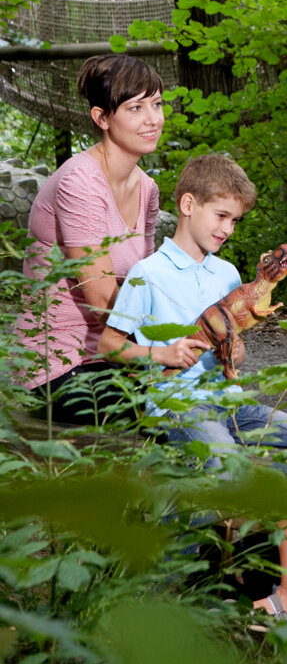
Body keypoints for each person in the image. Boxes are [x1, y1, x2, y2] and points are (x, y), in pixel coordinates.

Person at [98, 152, 287, 621]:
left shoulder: (227, 274)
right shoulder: (148, 275)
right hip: (179, 405)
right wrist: (160, 352)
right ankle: (186, 569)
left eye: (235, 221)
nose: (228, 229)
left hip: (232, 403)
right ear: (187, 204)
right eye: (221, 216)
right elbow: (110, 345)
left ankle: (260, 553)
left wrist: (235, 353)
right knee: (230, 469)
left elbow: (232, 346)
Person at [15, 53, 165, 423]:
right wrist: (166, 345)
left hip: (116, 354)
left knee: (204, 381)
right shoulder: (79, 182)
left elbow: (141, 282)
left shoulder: (147, 189)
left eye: (158, 104)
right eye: (136, 107)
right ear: (102, 118)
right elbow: (101, 299)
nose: (153, 119)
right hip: (60, 365)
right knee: (175, 400)